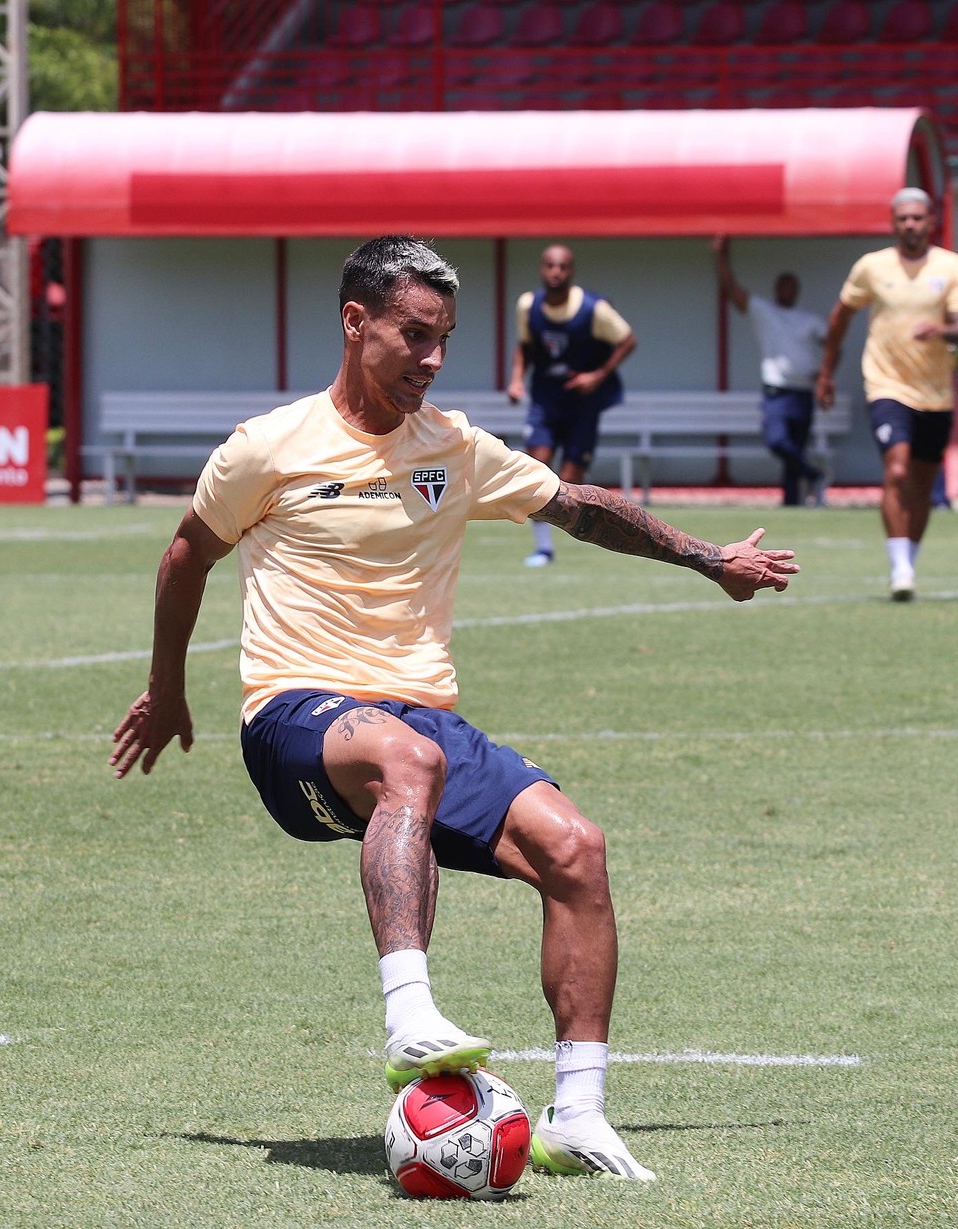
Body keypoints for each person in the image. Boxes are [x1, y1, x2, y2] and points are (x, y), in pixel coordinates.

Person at [110, 235, 798, 1183]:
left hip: (419, 718)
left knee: (576, 847)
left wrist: (707, 558)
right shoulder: (268, 446)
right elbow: (186, 555)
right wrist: (169, 686)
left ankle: (581, 1114)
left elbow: (578, 505)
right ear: (356, 325)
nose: (433, 359)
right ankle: (409, 1017)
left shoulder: (454, 447)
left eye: (447, 341)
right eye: (415, 336)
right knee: (410, 764)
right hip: (293, 715)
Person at [815, 187, 958, 600]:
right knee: (897, 470)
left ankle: (908, 560)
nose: (910, 225)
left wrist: (942, 331)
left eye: (918, 218)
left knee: (923, 481)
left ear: (931, 221)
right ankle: (899, 569)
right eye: (903, 218)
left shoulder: (949, 267)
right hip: (886, 385)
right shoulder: (872, 267)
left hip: (934, 392)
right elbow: (841, 316)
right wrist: (826, 373)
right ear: (893, 222)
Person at [508, 243, 637, 567]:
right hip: (545, 402)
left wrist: (598, 374)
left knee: (569, 481)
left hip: (582, 406)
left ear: (571, 271)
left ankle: (586, 538)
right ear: (541, 269)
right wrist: (516, 379)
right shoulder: (529, 306)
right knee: (537, 472)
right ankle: (543, 548)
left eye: (563, 266)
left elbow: (628, 340)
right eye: (550, 266)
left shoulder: (593, 309)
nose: (556, 272)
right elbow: (525, 346)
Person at [713, 235, 828, 507]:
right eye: (783, 287)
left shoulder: (809, 320)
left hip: (804, 394)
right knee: (777, 441)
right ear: (777, 289)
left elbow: (832, 345)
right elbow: (732, 288)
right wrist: (720, 256)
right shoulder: (764, 311)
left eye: (791, 287)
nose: (787, 291)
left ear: (796, 290)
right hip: (777, 393)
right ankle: (813, 474)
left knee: (794, 454)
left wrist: (825, 373)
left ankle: (792, 505)